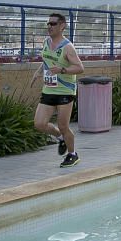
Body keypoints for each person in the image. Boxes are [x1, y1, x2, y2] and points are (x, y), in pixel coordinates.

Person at [31, 13, 85, 167]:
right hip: (49, 89)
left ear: (62, 26)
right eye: (48, 23)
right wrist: (39, 71)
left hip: (65, 91)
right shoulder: (46, 42)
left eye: (53, 24)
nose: (49, 26)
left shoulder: (67, 47)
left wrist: (62, 70)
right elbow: (47, 60)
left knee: (63, 126)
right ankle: (60, 138)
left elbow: (80, 68)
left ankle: (72, 154)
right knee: (39, 124)